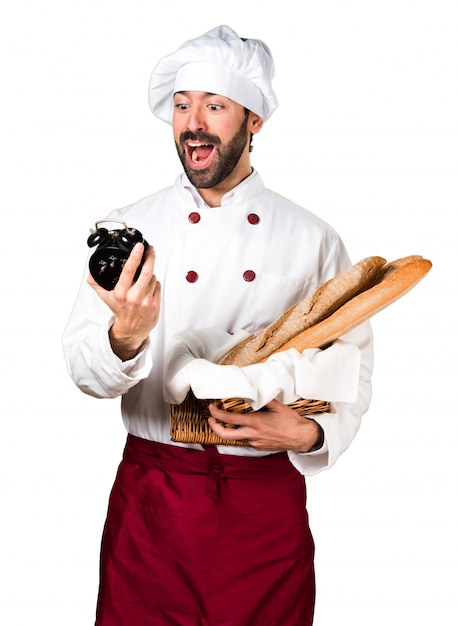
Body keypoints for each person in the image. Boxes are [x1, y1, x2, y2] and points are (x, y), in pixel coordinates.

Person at [63, 25, 373, 626]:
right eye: (182, 106)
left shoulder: (312, 239)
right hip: (154, 498)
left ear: (253, 120)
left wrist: (309, 436)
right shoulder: (127, 228)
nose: (193, 122)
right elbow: (83, 370)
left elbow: (353, 375)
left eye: (214, 106)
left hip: (264, 505)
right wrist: (124, 336)